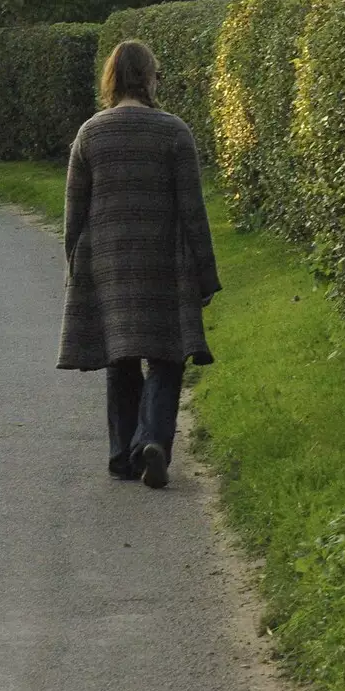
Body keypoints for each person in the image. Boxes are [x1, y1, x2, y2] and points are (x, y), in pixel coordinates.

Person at [57, 40, 221, 489]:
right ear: (150, 77)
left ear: (110, 78)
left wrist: (76, 268)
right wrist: (205, 273)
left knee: (121, 357)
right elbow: (193, 210)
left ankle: (121, 455)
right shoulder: (173, 132)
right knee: (166, 357)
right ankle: (152, 442)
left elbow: (75, 212)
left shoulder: (90, 133)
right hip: (162, 261)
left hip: (108, 263)